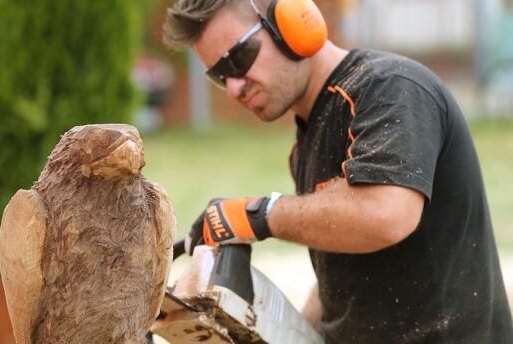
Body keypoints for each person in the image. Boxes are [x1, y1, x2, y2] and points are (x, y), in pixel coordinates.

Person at [162, 0, 513, 342]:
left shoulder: (390, 88)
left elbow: (386, 213)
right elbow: (341, 279)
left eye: (237, 59)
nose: (235, 87)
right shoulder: (304, 146)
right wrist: (294, 332)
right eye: (220, 76)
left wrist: (257, 215)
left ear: (291, 23)